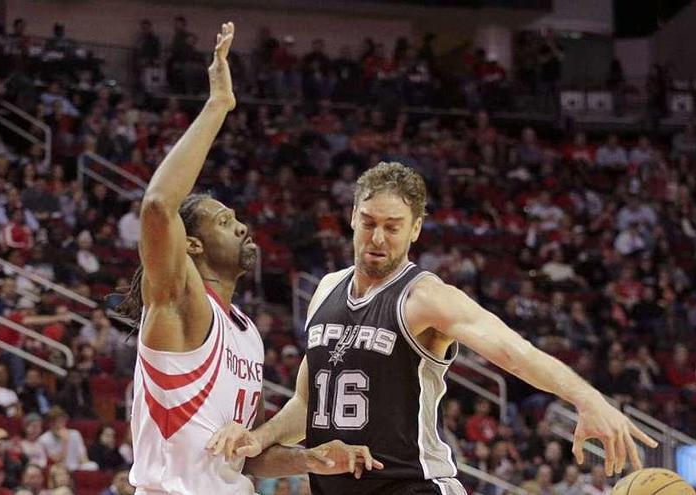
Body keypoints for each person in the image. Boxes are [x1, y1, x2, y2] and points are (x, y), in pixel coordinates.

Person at [209, 162, 658, 494]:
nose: (378, 238)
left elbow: (510, 349)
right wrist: (261, 436)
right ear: (351, 218)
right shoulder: (327, 289)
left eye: (392, 226)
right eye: (368, 224)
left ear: (416, 229)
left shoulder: (425, 296)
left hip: (414, 486)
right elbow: (308, 401)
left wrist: (586, 398)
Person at [114, 22, 379, 495]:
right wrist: (218, 106)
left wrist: (311, 459)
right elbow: (157, 205)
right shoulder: (180, 302)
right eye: (222, 221)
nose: (241, 226)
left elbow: (246, 457)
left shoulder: (248, 333)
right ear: (190, 245)